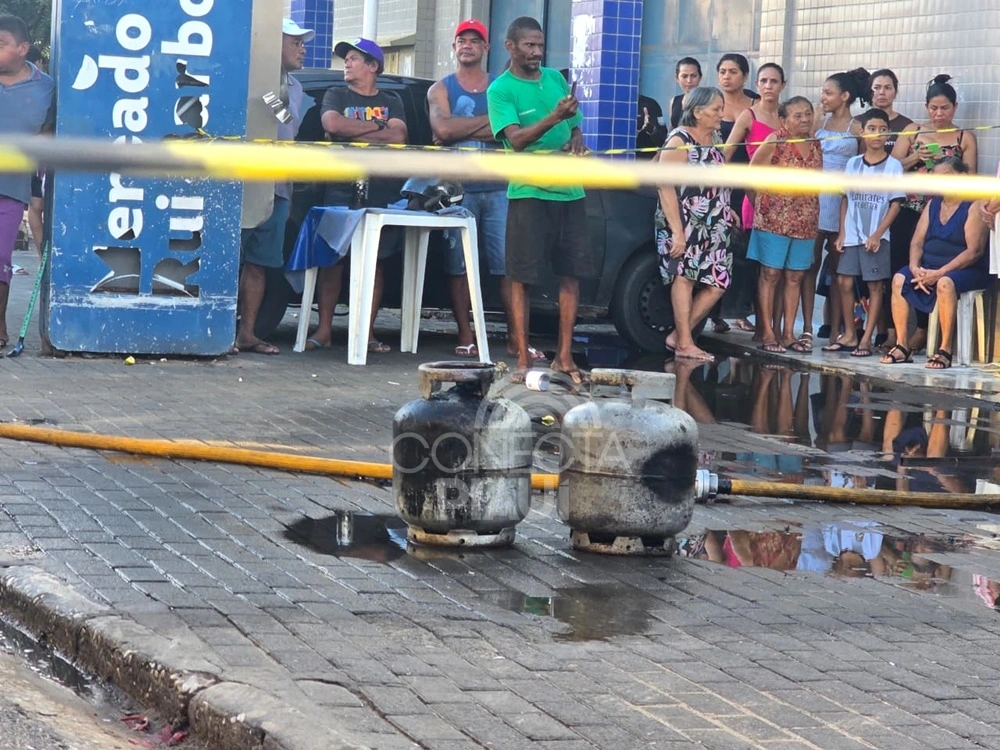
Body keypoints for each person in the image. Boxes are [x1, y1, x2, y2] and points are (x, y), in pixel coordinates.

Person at [428, 20, 545, 363]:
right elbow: (442, 130)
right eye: (461, 40)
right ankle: (466, 336)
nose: (467, 45)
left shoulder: (502, 86)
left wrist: (461, 129)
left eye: (474, 40)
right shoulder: (440, 88)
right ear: (454, 47)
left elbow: (517, 131)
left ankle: (516, 339)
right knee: (459, 265)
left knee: (509, 266)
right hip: (457, 191)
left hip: (500, 188)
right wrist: (495, 123)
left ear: (486, 48)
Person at [487, 16, 593, 385]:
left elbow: (574, 123)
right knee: (521, 277)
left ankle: (564, 357)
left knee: (570, 274)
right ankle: (522, 359)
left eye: (540, 45)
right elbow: (516, 140)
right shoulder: (500, 90)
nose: (536, 52)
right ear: (511, 47)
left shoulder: (555, 79)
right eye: (529, 45)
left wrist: (576, 135)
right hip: (529, 192)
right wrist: (554, 117)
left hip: (570, 190)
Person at [308, 38, 407, 353]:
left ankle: (367, 332)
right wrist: (378, 128)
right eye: (346, 59)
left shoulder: (392, 99)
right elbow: (332, 124)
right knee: (333, 259)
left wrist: (353, 130)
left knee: (374, 262)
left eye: (353, 58)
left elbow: (399, 135)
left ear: (373, 66)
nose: (347, 64)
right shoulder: (336, 94)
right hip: (340, 185)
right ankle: (324, 330)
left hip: (381, 188)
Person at [233, 19, 311, 355]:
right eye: (295, 43)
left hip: (277, 187)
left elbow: (287, 128)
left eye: (302, 44)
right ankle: (218, 330)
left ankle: (247, 334)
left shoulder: (295, 87)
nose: (302, 50)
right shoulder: (245, 76)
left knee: (261, 262)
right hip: (244, 181)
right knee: (230, 258)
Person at [888, 75, 979, 353]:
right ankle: (903, 333)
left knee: (938, 262)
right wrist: (916, 157)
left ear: (955, 107)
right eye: (934, 108)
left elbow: (971, 178)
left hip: (948, 210)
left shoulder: (964, 137)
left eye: (945, 108)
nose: (939, 114)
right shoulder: (913, 132)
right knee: (905, 265)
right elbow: (891, 168)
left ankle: (927, 332)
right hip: (911, 207)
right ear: (926, 107)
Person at [881, 157, 991, 370]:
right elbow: (917, 242)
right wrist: (915, 267)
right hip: (930, 267)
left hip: (966, 269)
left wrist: (940, 273)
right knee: (899, 278)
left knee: (945, 283)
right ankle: (902, 345)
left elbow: (974, 251)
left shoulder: (974, 204)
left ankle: (945, 349)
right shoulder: (933, 204)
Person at [657, 87, 738, 363]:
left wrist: (726, 207)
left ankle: (678, 336)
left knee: (719, 281)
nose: (721, 114)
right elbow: (664, 185)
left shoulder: (714, 137)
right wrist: (677, 232)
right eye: (716, 109)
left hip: (714, 222)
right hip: (685, 222)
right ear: (697, 112)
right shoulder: (679, 140)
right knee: (686, 276)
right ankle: (684, 342)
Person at [824, 108, 904, 358]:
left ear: (888, 134)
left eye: (882, 130)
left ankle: (866, 339)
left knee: (875, 285)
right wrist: (842, 232)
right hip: (852, 235)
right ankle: (850, 334)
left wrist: (878, 234)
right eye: (871, 129)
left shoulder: (893, 166)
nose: (877, 134)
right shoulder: (853, 163)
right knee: (844, 281)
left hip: (876, 238)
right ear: (862, 132)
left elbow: (895, 204)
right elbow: (845, 199)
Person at [748, 96, 823, 354]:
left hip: (806, 221)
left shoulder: (816, 143)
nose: (804, 119)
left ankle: (789, 333)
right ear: (784, 120)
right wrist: (762, 206)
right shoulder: (774, 141)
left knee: (795, 276)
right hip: (773, 220)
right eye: (797, 115)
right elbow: (750, 175)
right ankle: (768, 332)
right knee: (770, 275)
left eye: (808, 114)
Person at [0, 15, 54, 352]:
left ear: (23, 48)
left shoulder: (46, 87)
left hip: (10, 186)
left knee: (0, 258)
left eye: (0, 44)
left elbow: (50, 130)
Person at [723, 62, 785, 336]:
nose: (768, 86)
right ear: (757, 85)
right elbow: (725, 155)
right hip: (755, 198)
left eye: (774, 81)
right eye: (764, 81)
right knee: (754, 264)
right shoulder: (748, 116)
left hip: (786, 201)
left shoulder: (787, 117)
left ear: (782, 85)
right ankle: (751, 319)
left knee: (776, 267)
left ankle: (772, 323)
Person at [810, 68, 869, 349]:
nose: (823, 97)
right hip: (815, 198)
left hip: (841, 201)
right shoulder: (818, 121)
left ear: (844, 96)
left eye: (828, 93)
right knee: (807, 266)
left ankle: (836, 331)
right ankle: (806, 329)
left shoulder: (857, 127)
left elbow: (863, 164)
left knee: (836, 270)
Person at [710, 53, 759, 334]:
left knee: (745, 251)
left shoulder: (755, 106)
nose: (727, 76)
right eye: (723, 71)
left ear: (745, 76)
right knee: (718, 248)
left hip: (747, 186)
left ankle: (740, 311)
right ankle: (715, 313)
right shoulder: (710, 104)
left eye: (733, 71)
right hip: (718, 184)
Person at [868, 68, 913, 349]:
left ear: (896, 91)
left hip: (893, 206)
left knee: (890, 268)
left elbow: (894, 166)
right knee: (859, 273)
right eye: (877, 87)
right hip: (863, 205)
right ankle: (862, 328)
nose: (881, 92)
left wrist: (914, 158)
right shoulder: (860, 123)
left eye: (887, 87)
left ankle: (890, 330)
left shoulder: (907, 126)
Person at [668, 57, 702, 129]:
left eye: (693, 76)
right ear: (677, 78)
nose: (689, 80)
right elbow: (672, 128)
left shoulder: (707, 102)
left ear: (700, 77)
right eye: (684, 76)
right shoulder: (674, 101)